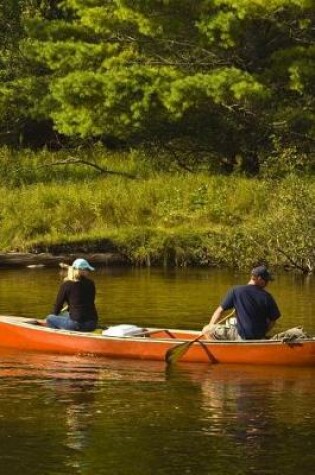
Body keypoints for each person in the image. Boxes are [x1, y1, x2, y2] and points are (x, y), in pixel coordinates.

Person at [202, 265, 281, 340]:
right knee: (234, 322)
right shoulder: (267, 296)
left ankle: (219, 349)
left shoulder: (236, 291)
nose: (267, 283)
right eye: (266, 280)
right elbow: (273, 321)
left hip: (241, 337)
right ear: (259, 278)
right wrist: (262, 333)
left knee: (206, 329)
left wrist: (210, 327)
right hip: (259, 336)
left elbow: (219, 311)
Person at [46, 258, 98, 331]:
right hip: (92, 323)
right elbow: (85, 302)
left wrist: (53, 315)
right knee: (65, 315)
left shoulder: (66, 285)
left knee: (50, 318)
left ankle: (60, 339)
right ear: (82, 271)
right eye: (87, 270)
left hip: (77, 324)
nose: (88, 272)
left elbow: (58, 306)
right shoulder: (91, 283)